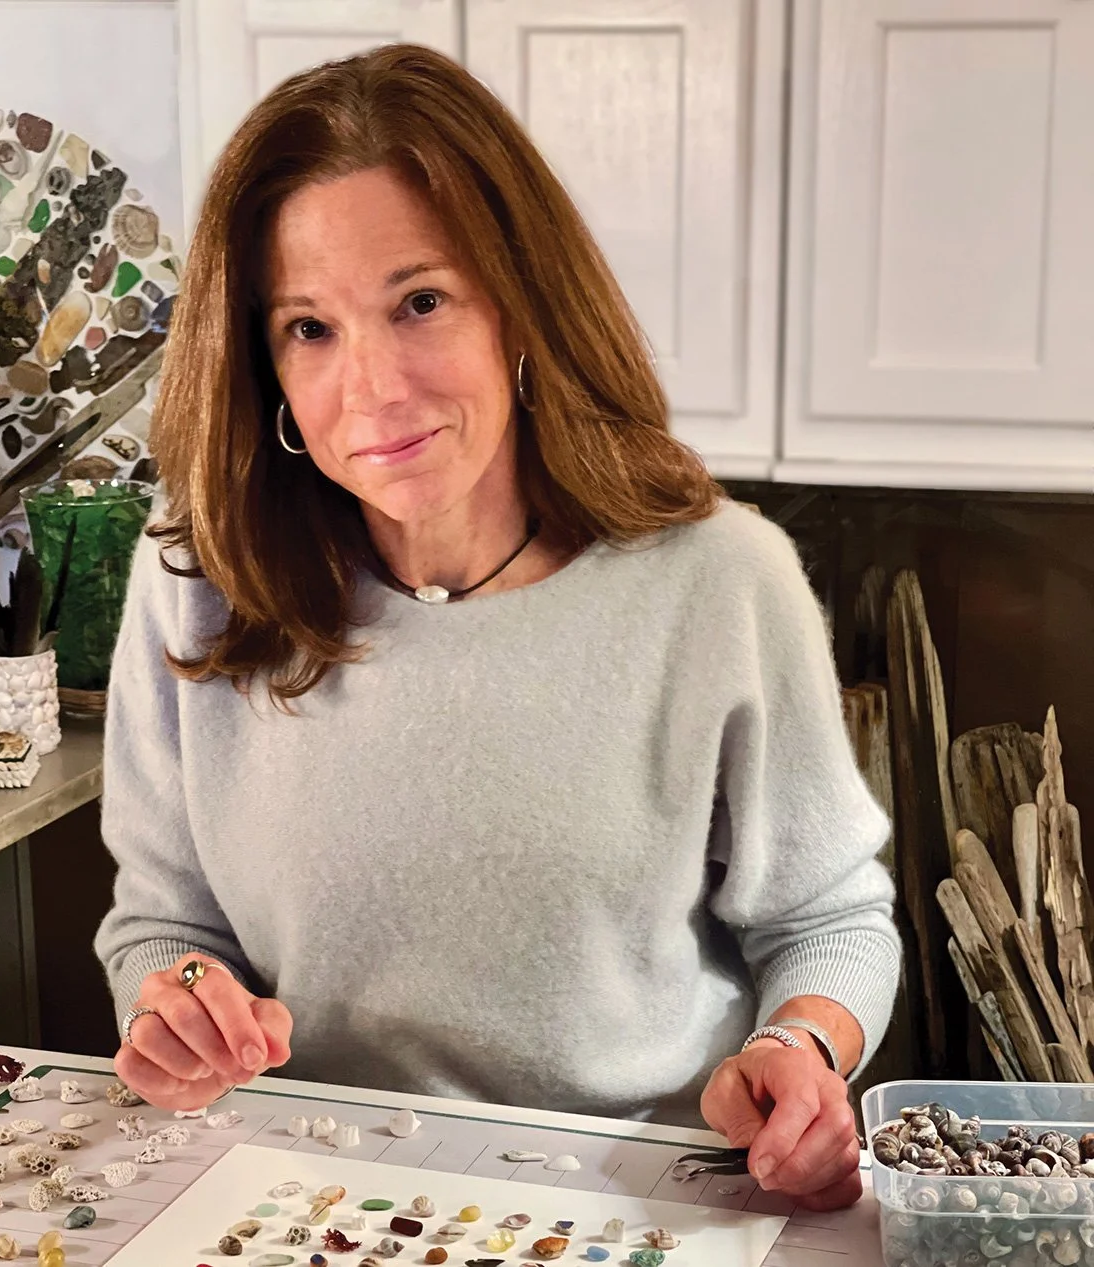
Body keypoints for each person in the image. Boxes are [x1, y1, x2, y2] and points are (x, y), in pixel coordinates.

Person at [94, 43, 900, 1213]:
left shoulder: (723, 580)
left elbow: (831, 919)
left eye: (419, 301)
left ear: (522, 305)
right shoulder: (198, 579)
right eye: (309, 329)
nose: (370, 387)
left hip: (647, 1198)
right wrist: (178, 1007)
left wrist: (802, 1052)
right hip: (304, 1193)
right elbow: (163, 922)